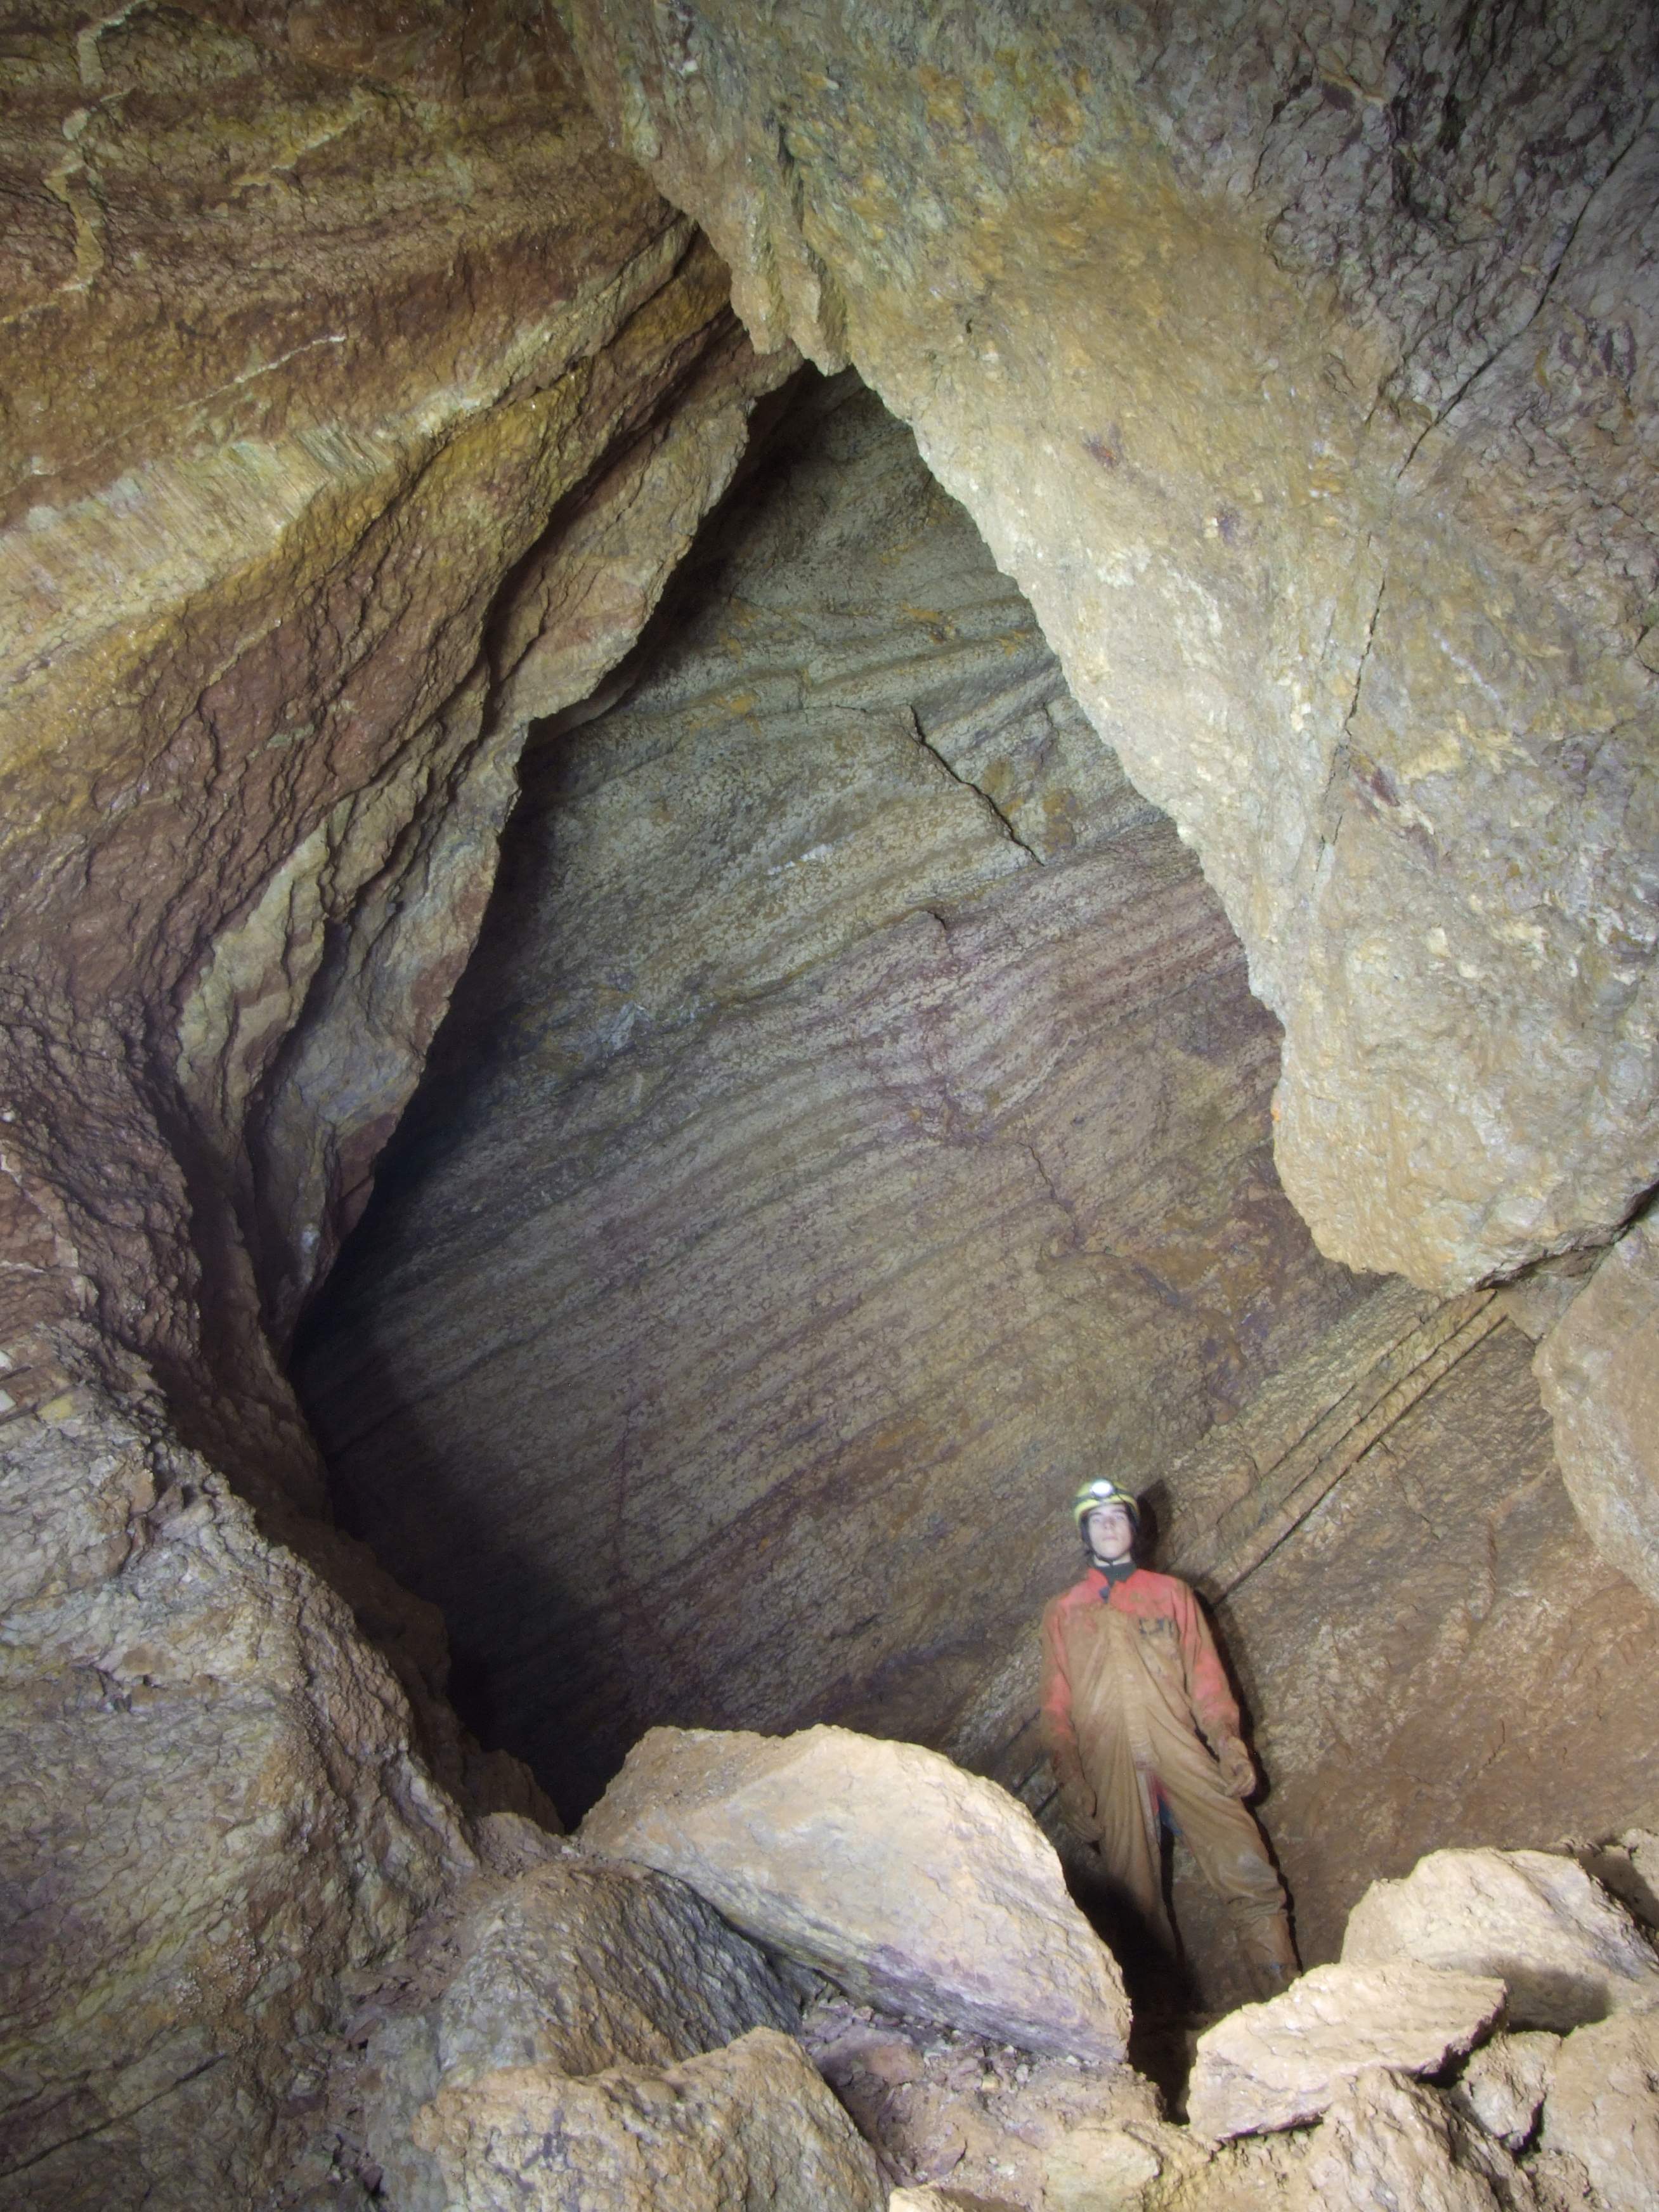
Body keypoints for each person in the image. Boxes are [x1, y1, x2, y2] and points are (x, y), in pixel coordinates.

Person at [1039, 1475, 1299, 1998]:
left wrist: (1228, 1743)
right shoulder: (1064, 1611)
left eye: (1117, 1518)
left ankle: (1285, 1996)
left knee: (1245, 1860)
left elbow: (1207, 1680)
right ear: (1085, 1534)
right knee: (1134, 1905)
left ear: (1133, 1530)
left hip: (1177, 1746)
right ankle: (1163, 2025)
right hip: (1110, 1759)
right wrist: (1070, 1777)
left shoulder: (1171, 1594)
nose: (1108, 1527)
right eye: (1097, 1520)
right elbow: (1056, 1706)